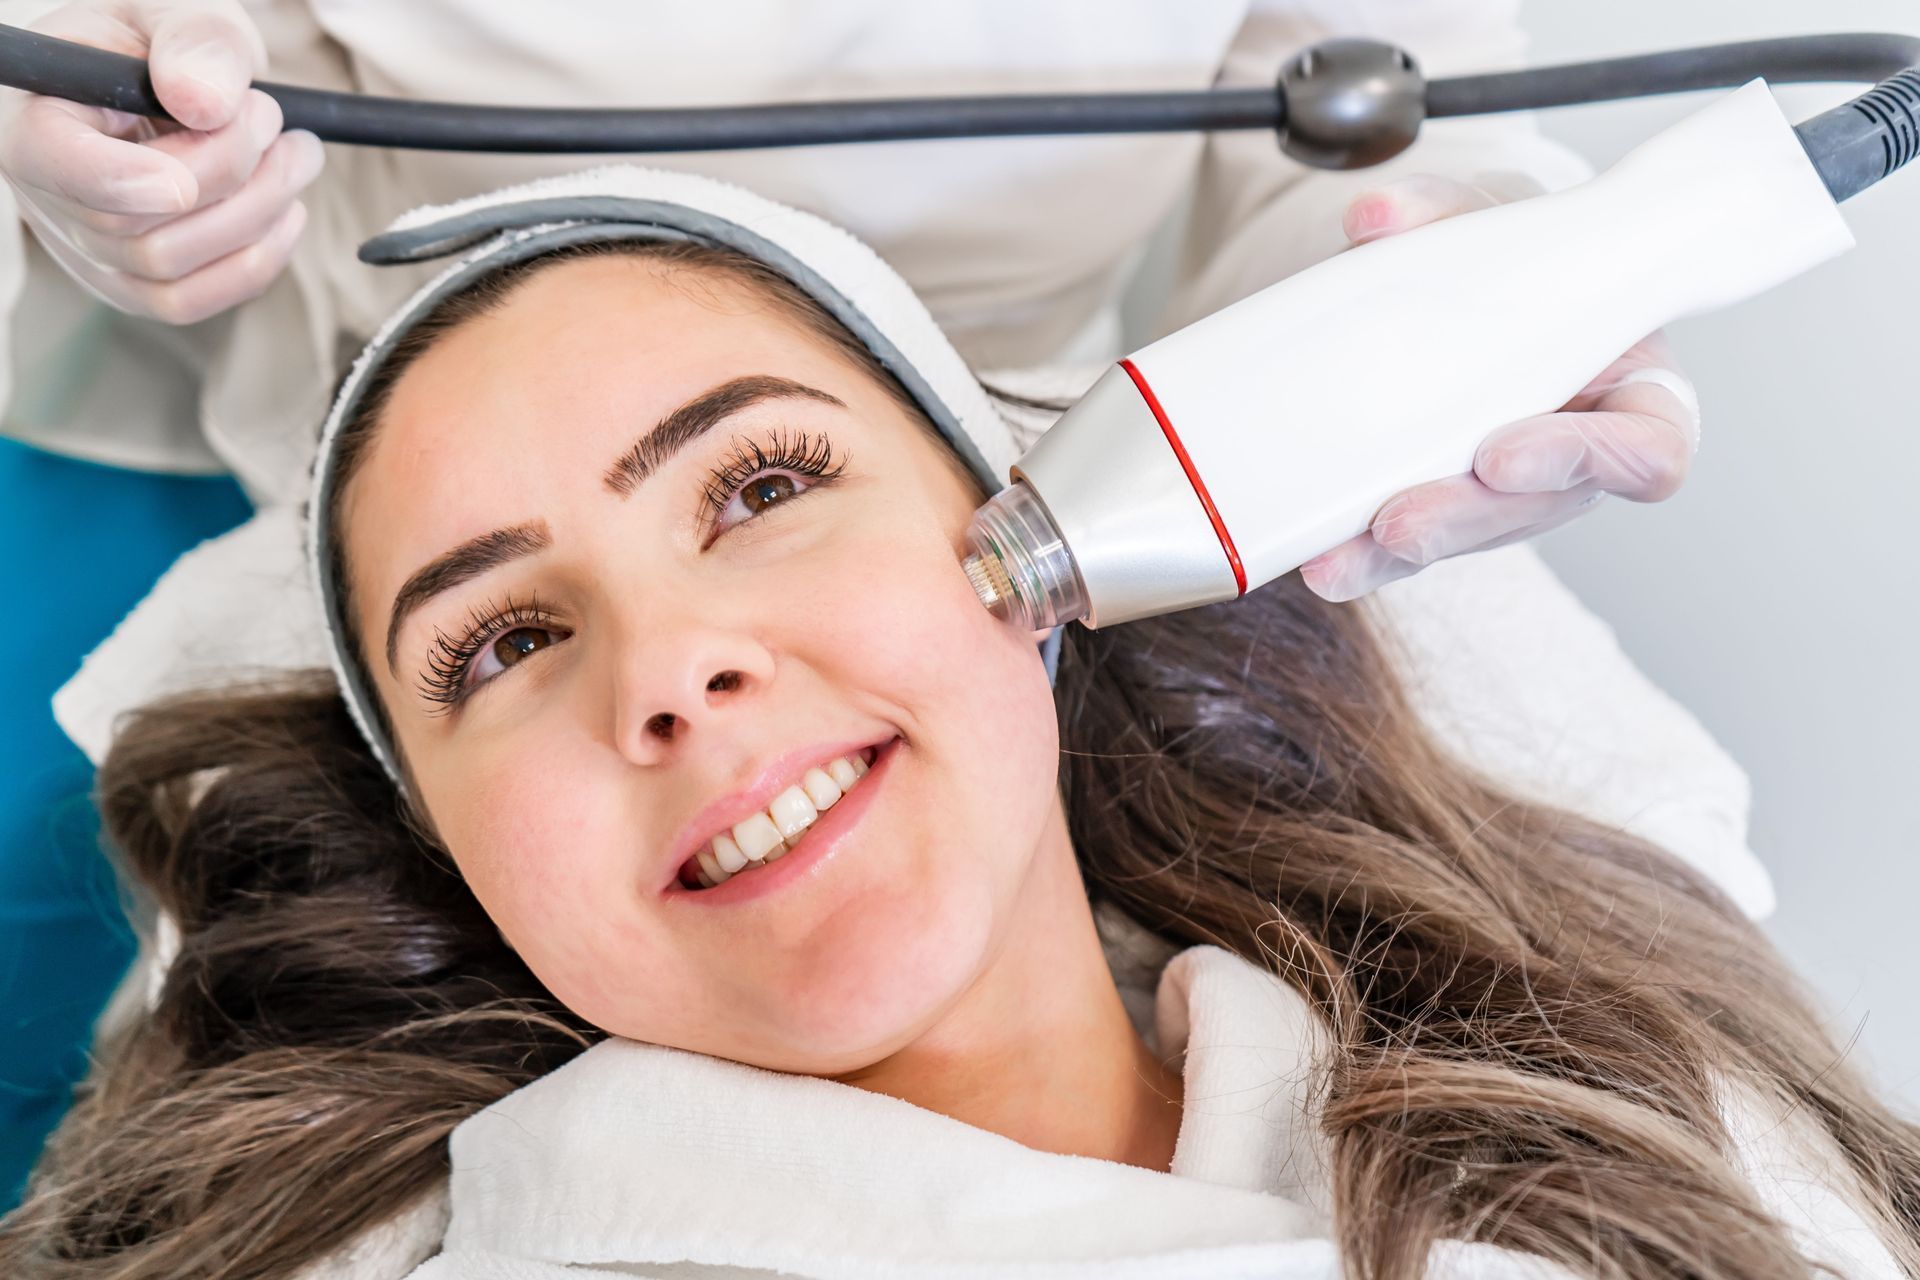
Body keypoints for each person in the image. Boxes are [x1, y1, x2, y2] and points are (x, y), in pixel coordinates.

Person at [0, 166, 1908, 1280]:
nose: (665, 670)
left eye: (755, 489)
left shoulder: (1631, 1108)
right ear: (449, 845)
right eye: (499, 644)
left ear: (1045, 548)